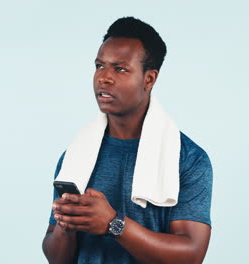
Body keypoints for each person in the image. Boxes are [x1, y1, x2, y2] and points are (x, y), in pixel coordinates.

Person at [42, 17, 213, 264]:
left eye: (120, 69)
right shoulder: (76, 155)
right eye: (99, 66)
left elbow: (191, 255)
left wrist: (114, 223)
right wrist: (67, 227)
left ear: (149, 79)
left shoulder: (188, 159)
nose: (104, 77)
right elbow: (57, 259)